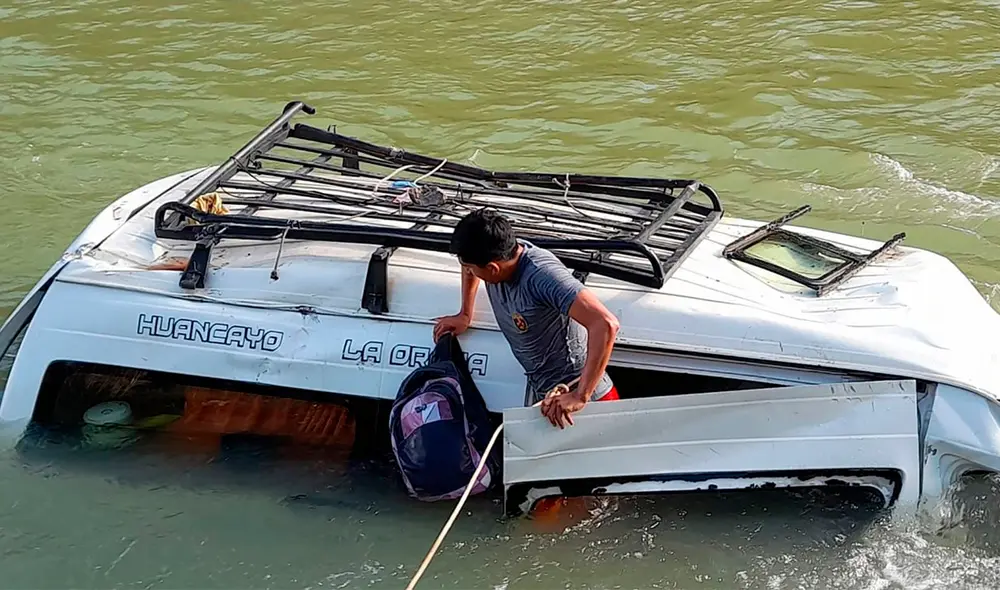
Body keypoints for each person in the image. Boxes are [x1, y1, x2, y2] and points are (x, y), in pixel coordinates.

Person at [433, 208, 621, 429]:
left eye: (472, 269)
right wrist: (465, 314)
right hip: (542, 394)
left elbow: (606, 323)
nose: (469, 271)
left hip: (579, 400)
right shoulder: (494, 253)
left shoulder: (541, 276)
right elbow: (467, 265)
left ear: (493, 268)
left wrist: (581, 396)